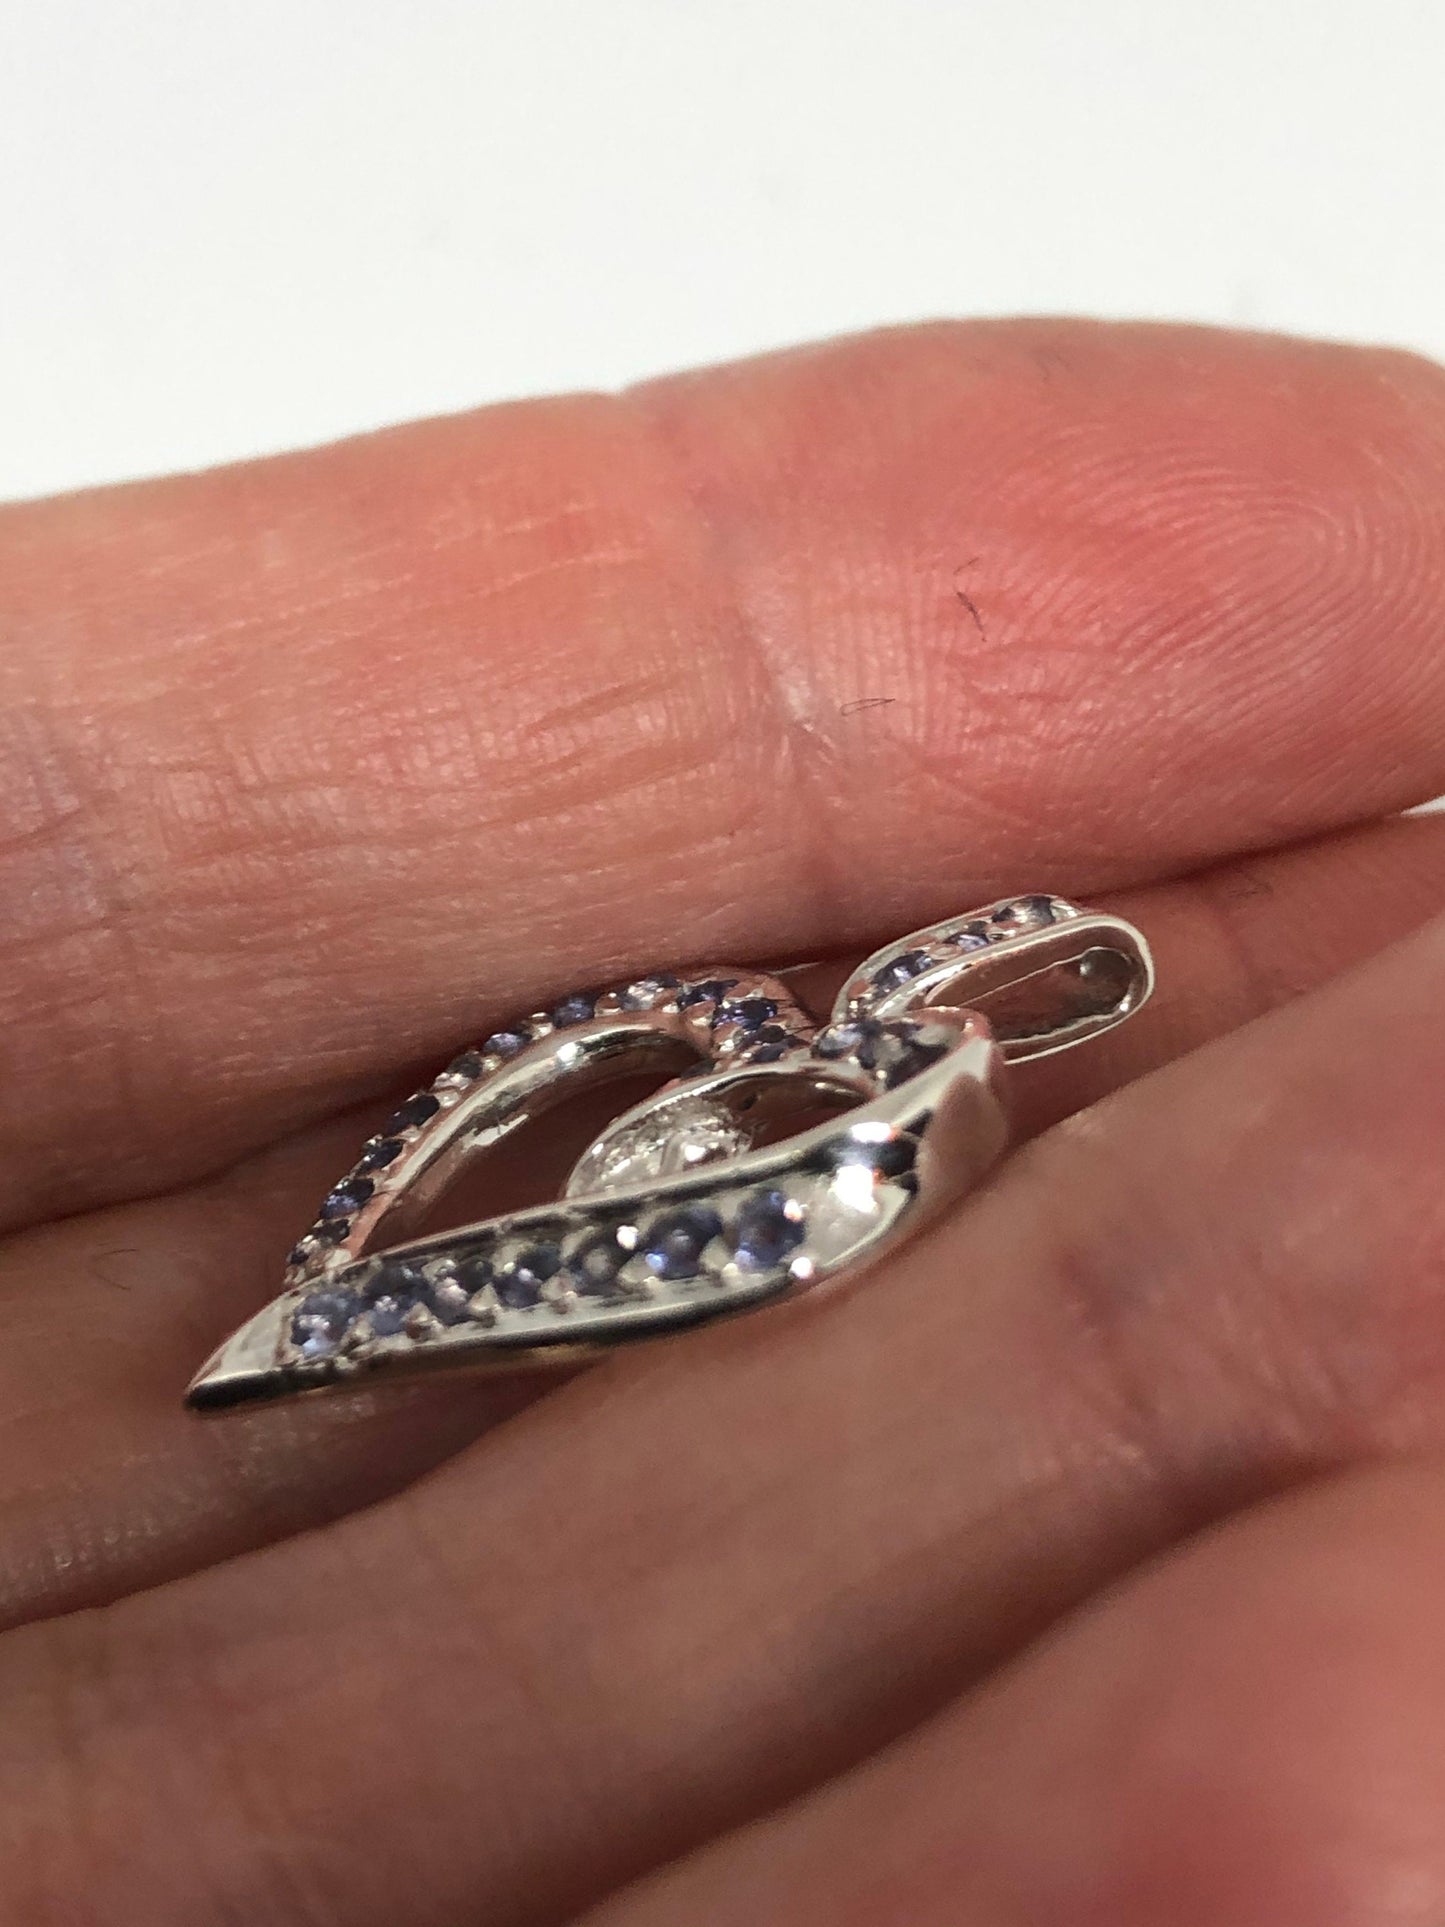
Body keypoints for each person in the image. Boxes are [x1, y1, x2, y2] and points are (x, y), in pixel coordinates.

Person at [1, 317, 1443, 1925]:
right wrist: (341, 1275)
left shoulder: (889, 1088)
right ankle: (336, 1304)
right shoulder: (775, 1051)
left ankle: (338, 1308)